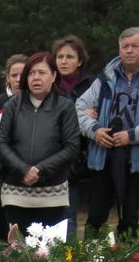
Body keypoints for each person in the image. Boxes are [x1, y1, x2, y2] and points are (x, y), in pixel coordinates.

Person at [77, 27, 139, 237]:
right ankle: (90, 257)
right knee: (95, 217)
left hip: (137, 159)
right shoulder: (104, 79)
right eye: (125, 46)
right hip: (103, 156)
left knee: (130, 218)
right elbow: (80, 108)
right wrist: (95, 131)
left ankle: (130, 256)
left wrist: (132, 136)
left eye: (135, 46)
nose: (129, 50)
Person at [0, 51, 80, 234]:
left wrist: (40, 170)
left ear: (53, 76)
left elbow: (72, 147)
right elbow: (0, 144)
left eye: (42, 72)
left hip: (53, 194)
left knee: (52, 249)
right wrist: (24, 169)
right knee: (18, 248)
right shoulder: (12, 105)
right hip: (16, 194)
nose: (36, 78)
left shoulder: (65, 106)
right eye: (31, 73)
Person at [52, 36, 95, 237]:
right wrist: (80, 117)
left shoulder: (93, 85)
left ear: (79, 61)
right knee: (61, 217)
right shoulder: (49, 86)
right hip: (57, 159)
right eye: (60, 56)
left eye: (69, 57)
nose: (63, 61)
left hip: (87, 157)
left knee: (91, 216)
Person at [0, 54, 26, 239]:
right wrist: (8, 161)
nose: (18, 79)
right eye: (14, 75)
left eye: (22, 75)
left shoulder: (40, 102)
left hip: (31, 175)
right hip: (3, 174)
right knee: (3, 230)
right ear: (7, 77)